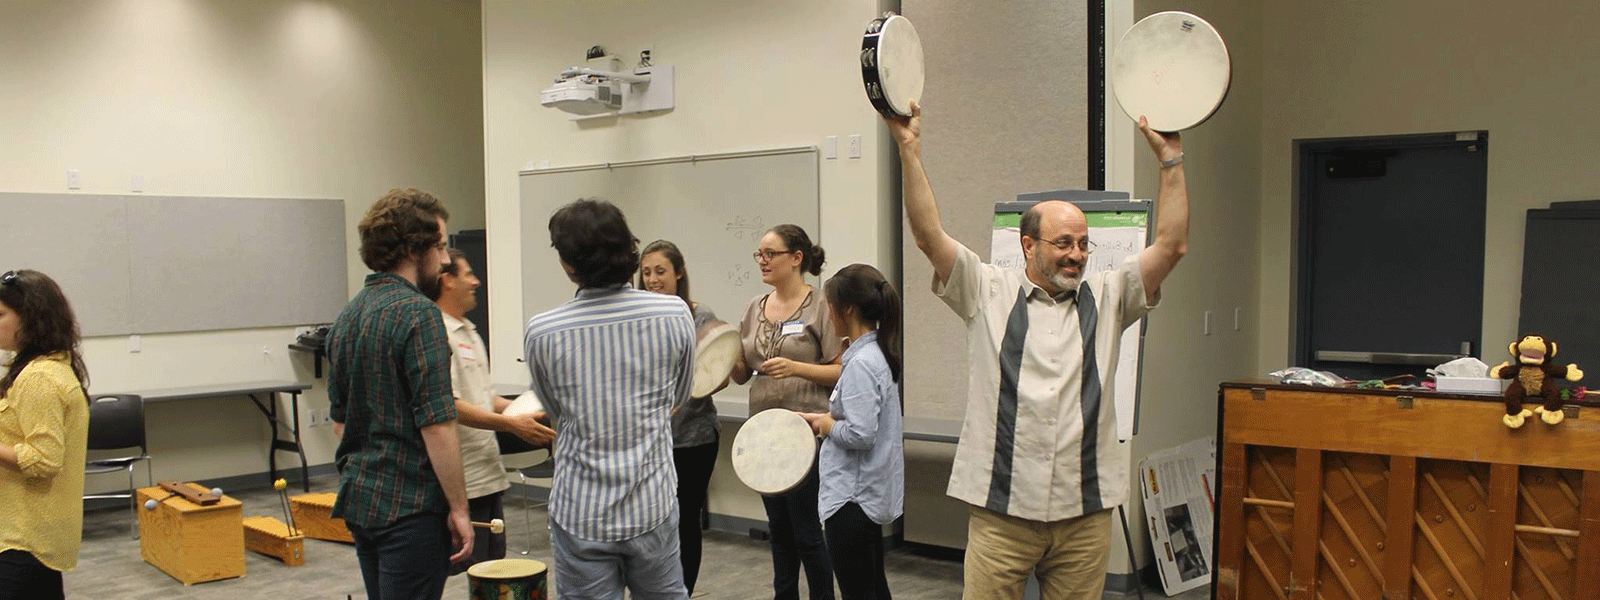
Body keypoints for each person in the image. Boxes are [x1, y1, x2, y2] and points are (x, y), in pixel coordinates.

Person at [886, 100, 1189, 599]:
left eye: (1084, 244)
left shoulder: (1112, 297)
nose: (1076, 254)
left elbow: (1172, 245)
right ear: (1029, 246)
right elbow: (927, 236)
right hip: (1001, 513)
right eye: (1062, 242)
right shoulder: (986, 291)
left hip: (1084, 517)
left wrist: (1171, 160)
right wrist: (908, 148)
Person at [524, 199, 693, 600]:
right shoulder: (674, 314)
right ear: (631, 254)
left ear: (567, 264)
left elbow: (555, 410)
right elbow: (681, 392)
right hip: (651, 503)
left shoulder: (543, 331)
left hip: (580, 509)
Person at [327, 188, 473, 600]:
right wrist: (460, 509)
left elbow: (340, 422)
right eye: (440, 247)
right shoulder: (420, 315)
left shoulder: (347, 316)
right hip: (412, 511)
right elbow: (438, 425)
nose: (445, 261)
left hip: (362, 502)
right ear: (414, 248)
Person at [730, 224, 840, 600]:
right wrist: (724, 358)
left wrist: (796, 368)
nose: (762, 261)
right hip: (762, 433)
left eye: (769, 254)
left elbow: (841, 368)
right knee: (778, 529)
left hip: (804, 433)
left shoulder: (821, 305)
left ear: (796, 259)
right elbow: (743, 373)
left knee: (806, 530)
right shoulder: (753, 307)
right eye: (758, 254)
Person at [431, 249, 556, 575]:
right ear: (447, 280)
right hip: (463, 479)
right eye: (468, 274)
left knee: (492, 569)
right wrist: (510, 425)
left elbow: (486, 398)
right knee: (467, 570)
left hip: (488, 475)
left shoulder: (469, 331)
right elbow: (451, 405)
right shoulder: (437, 333)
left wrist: (538, 403)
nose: (476, 281)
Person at [799, 264, 904, 600]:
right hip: (864, 497)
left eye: (829, 306)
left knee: (858, 590)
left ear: (845, 310)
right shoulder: (873, 354)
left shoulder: (860, 363)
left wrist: (828, 425)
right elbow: (857, 418)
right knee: (872, 588)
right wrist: (820, 419)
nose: (827, 314)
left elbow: (860, 435)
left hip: (851, 500)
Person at [637, 239, 725, 596]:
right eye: (646, 273)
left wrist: (682, 397)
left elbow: (712, 373)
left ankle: (682, 591)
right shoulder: (637, 317)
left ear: (678, 272)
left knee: (685, 519)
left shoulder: (697, 315)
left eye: (660, 271)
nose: (653, 279)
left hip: (694, 438)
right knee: (652, 522)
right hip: (650, 439)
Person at [0, 269, 89, 600]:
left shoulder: (39, 379)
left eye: (0, 314)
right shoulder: (40, 369)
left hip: (25, 539)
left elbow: (43, 460)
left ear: (30, 319)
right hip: (28, 534)